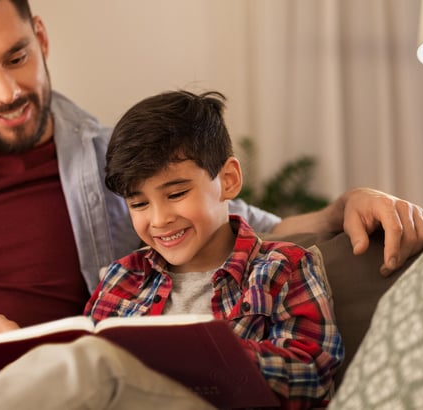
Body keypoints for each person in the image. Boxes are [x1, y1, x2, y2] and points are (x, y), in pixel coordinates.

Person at [0, 0, 423, 409]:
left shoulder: (118, 163)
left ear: (40, 38)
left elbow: (246, 230)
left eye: (15, 58)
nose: (6, 91)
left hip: (52, 394)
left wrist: (346, 205)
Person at [84, 90, 342, 408]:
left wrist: (197, 356)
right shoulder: (120, 279)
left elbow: (311, 377)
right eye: (139, 203)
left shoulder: (283, 268)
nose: (159, 219)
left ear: (229, 180)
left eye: (176, 193)